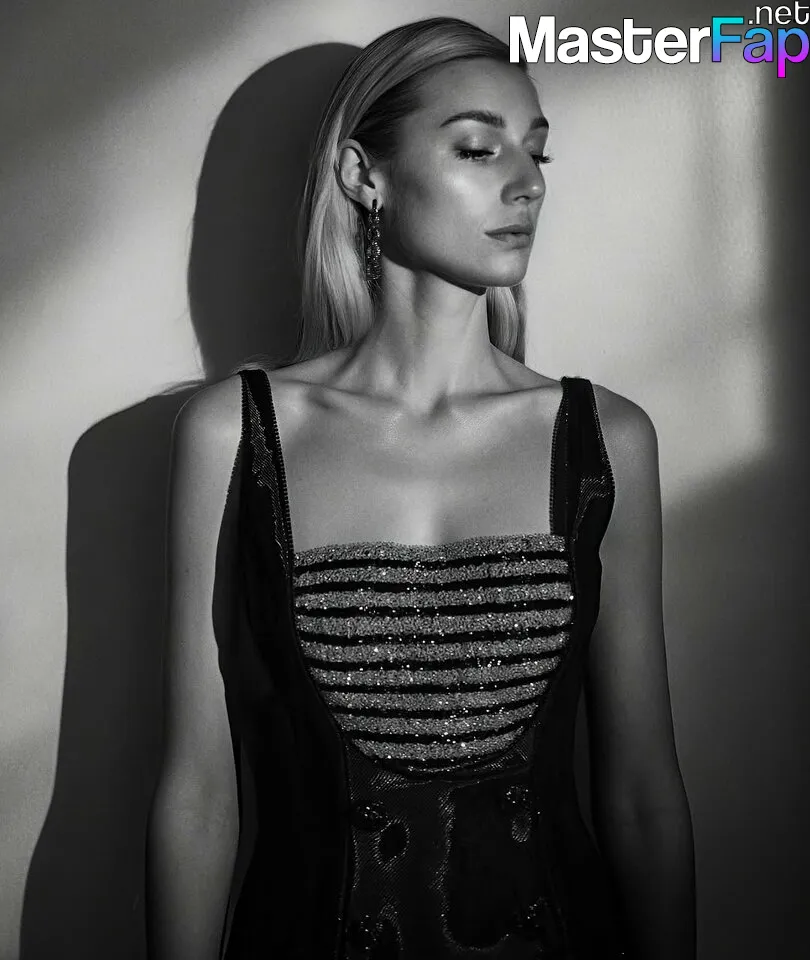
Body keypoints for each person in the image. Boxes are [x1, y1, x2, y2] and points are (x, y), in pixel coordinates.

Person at [146, 16, 696, 960]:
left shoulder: (604, 439)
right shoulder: (232, 434)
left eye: (536, 152)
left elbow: (643, 794)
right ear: (365, 176)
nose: (527, 183)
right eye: (479, 148)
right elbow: (198, 796)